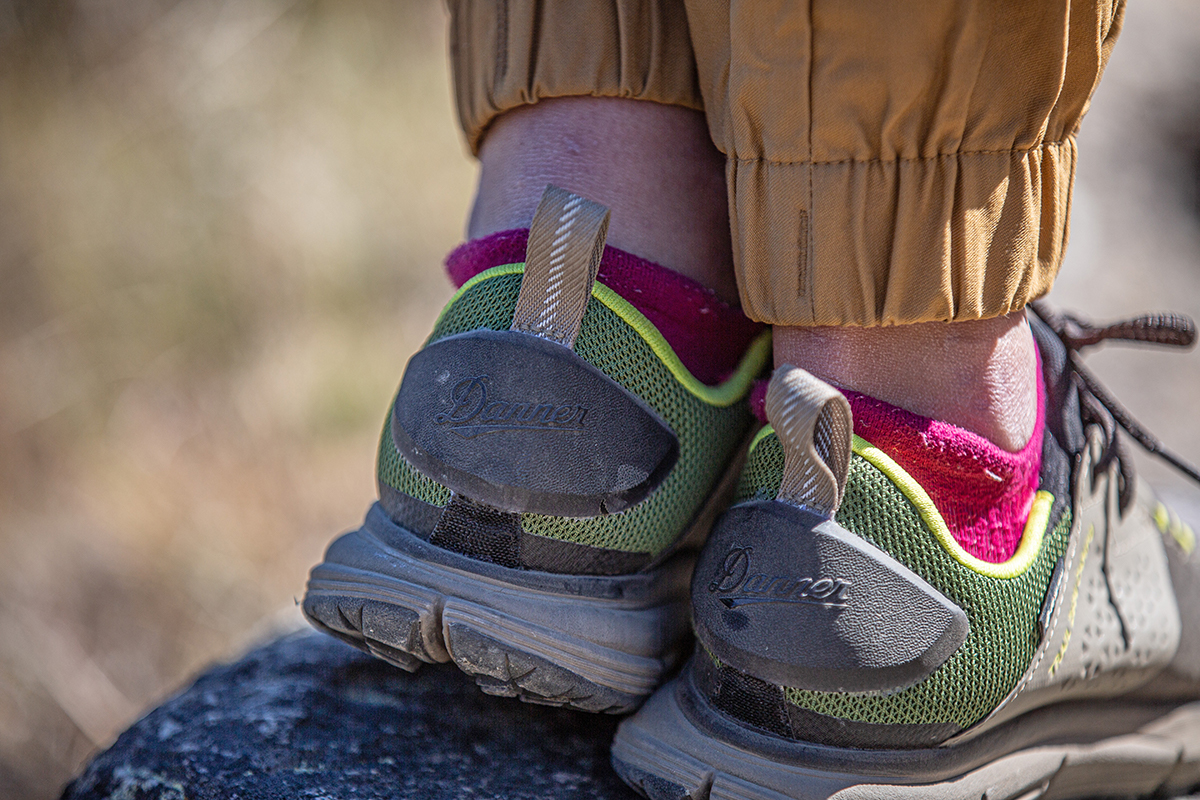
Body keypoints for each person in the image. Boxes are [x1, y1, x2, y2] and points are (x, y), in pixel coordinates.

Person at [303, 2, 1200, 798]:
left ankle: (589, 311)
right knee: (910, 358)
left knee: (594, 152)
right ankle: (920, 417)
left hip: (469, 383)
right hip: (895, 580)